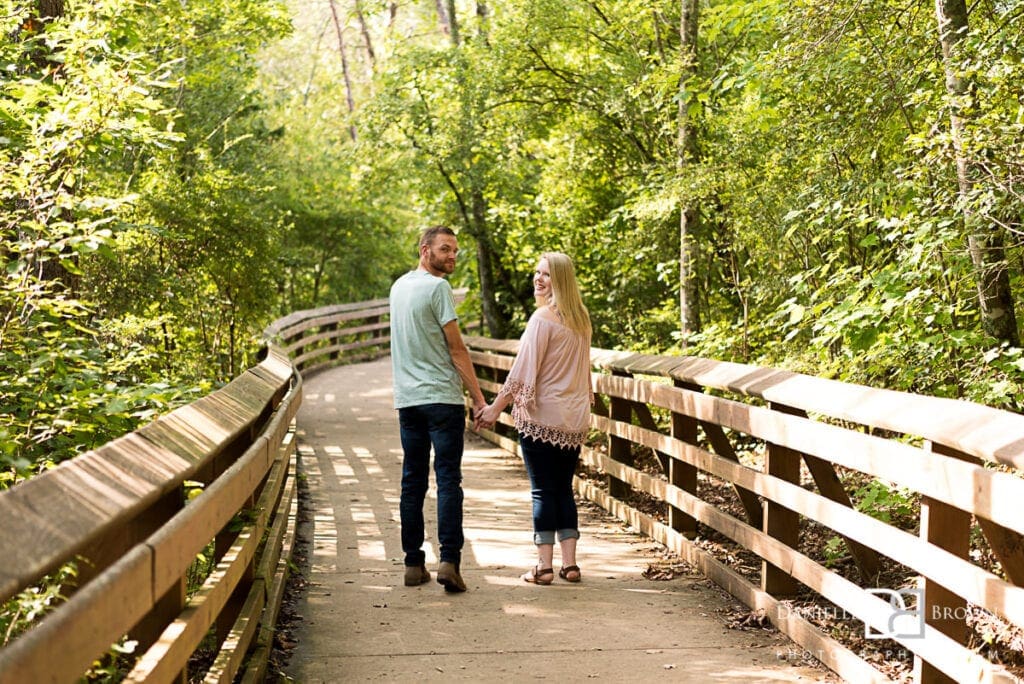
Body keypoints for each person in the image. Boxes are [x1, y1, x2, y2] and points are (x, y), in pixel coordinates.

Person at [478, 252, 592, 585]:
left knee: (543, 491)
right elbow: (583, 372)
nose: (538, 279)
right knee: (563, 490)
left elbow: (522, 372)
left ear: (561, 280)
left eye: (546, 274)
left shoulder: (542, 318)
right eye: (536, 272)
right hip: (572, 418)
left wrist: (495, 408)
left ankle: (543, 567)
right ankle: (570, 566)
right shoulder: (581, 318)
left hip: (543, 417)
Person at [389, 225, 487, 593]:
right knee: (448, 480)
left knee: (412, 481)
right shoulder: (438, 288)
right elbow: (457, 349)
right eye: (445, 249)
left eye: (455, 251)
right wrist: (479, 399)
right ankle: (449, 561)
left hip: (408, 401)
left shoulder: (398, 288)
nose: (452, 256)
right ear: (424, 249)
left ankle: (413, 563)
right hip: (441, 400)